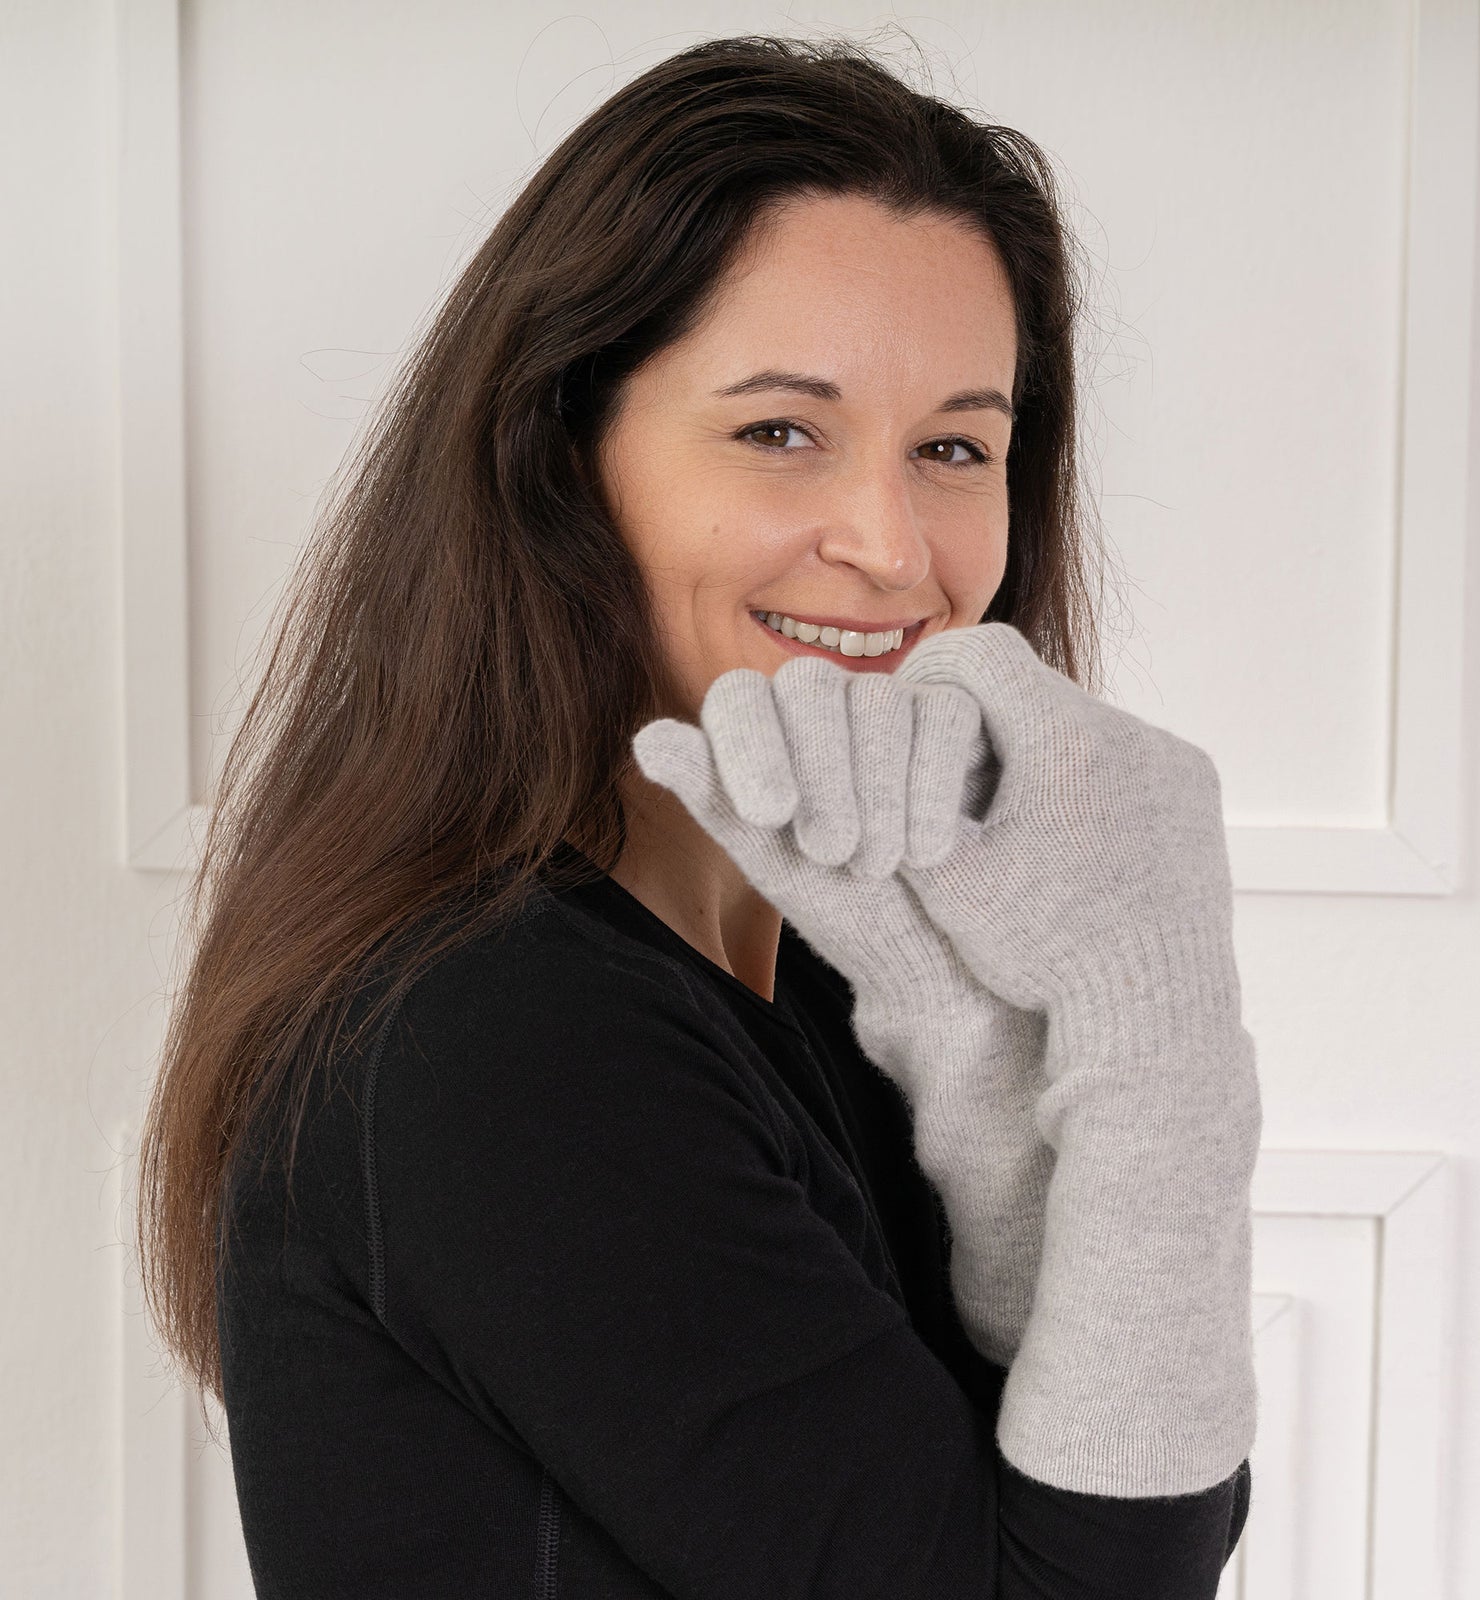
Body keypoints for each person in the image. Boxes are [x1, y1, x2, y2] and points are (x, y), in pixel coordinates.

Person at [135, 33, 1259, 1598]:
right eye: (780, 430)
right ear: (562, 460)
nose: (891, 546)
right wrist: (1155, 1024)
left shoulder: (825, 977)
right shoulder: (498, 1036)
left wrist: (980, 1067)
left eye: (954, 447)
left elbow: (1119, 1495)